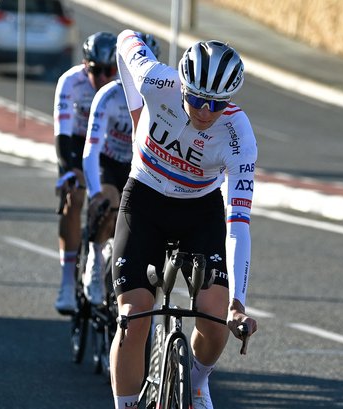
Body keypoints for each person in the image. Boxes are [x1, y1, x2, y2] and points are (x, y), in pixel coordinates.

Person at [110, 30, 259, 409]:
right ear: (182, 86)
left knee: (215, 320)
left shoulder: (239, 135)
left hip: (199, 210)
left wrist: (238, 303)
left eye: (216, 104)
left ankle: (195, 381)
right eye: (195, 98)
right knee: (133, 318)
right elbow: (125, 40)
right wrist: (136, 112)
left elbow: (238, 222)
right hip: (144, 199)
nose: (205, 111)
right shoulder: (155, 80)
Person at [81, 34, 160, 306]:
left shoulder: (161, 103)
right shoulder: (108, 96)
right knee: (110, 204)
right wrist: (94, 195)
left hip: (139, 168)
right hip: (109, 163)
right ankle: (93, 257)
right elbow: (91, 149)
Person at [52, 32, 118, 314]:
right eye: (96, 70)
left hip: (107, 149)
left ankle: (101, 256)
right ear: (84, 65)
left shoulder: (123, 90)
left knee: (111, 203)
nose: (102, 78)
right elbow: (62, 135)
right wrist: (69, 172)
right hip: (75, 146)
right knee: (75, 196)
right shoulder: (70, 83)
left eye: (109, 71)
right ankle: (67, 281)